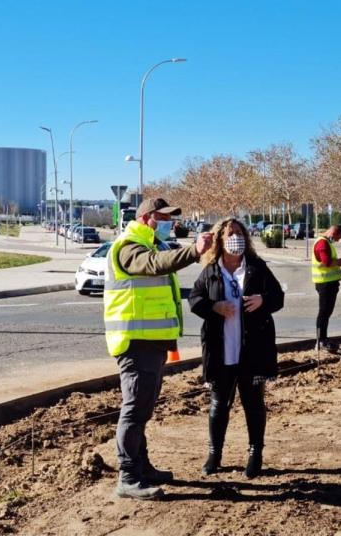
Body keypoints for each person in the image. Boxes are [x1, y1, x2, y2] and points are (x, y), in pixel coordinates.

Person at [104, 197, 213, 500]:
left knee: (143, 409)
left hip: (150, 343)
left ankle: (142, 466)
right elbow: (151, 266)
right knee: (134, 410)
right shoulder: (128, 247)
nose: (170, 223)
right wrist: (193, 251)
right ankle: (127, 476)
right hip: (134, 343)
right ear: (148, 217)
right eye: (165, 218)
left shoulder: (150, 245)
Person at [189, 218, 284, 479]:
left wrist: (263, 300)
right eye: (230, 234)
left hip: (252, 351)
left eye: (240, 233)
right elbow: (195, 299)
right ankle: (214, 454)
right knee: (219, 404)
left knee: (254, 404)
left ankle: (255, 455)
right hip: (221, 351)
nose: (236, 238)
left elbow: (278, 297)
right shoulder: (211, 270)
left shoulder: (256, 268)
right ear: (220, 239)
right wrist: (214, 308)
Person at [314, 225, 341, 353]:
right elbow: (326, 262)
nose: (338, 240)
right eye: (338, 237)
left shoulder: (325, 242)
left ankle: (323, 338)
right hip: (325, 283)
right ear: (333, 232)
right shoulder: (322, 243)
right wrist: (339, 262)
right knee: (324, 313)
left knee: (326, 313)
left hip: (328, 283)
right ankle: (320, 340)